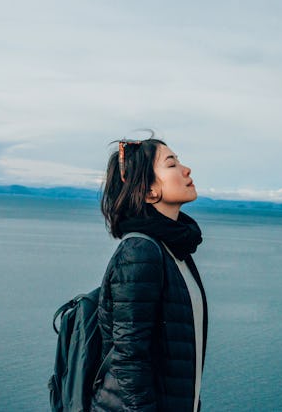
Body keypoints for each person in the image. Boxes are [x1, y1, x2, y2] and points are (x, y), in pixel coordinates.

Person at [92, 137, 207, 412]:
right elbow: (128, 361)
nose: (186, 169)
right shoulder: (140, 252)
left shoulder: (174, 249)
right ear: (149, 191)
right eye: (172, 164)